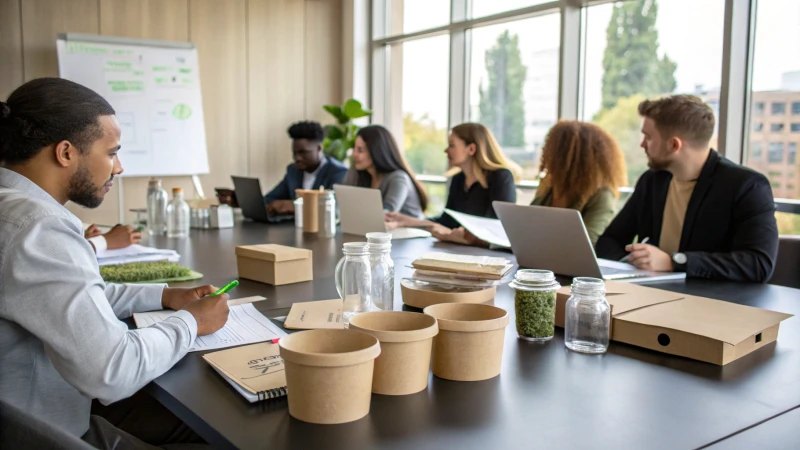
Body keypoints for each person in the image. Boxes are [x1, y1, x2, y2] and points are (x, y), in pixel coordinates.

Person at [0, 78, 230, 449]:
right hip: (48, 434)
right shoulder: (38, 228)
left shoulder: (11, 207)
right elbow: (113, 370)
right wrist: (193, 322)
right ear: (65, 153)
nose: (119, 167)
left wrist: (166, 296)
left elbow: (74, 295)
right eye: (111, 153)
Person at [595, 95, 779, 282]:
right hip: (653, 293)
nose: (642, 144)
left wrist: (674, 262)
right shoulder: (652, 181)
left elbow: (758, 263)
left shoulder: (747, 186)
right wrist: (627, 266)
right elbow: (610, 240)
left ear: (674, 145)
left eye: (648, 137)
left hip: (714, 302)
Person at [445, 120, 628, 247]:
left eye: (551, 149)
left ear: (571, 158)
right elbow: (521, 234)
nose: (545, 154)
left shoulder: (601, 196)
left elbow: (586, 248)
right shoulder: (548, 191)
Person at [385, 122, 519, 234]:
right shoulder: (458, 179)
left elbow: (496, 227)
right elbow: (447, 221)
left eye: (452, 145)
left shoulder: (501, 177)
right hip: (459, 249)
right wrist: (408, 221)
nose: (446, 150)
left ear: (471, 149)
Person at [262, 121, 347, 215]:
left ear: (319, 148)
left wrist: (295, 206)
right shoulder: (293, 170)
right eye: (295, 152)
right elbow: (269, 199)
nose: (297, 158)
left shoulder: (338, 173)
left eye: (303, 152)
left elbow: (334, 209)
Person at [343, 125, 428, 218]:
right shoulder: (363, 174)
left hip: (411, 231)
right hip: (383, 231)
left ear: (376, 151)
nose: (354, 154)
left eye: (360, 150)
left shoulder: (399, 178)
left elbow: (388, 214)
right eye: (354, 149)